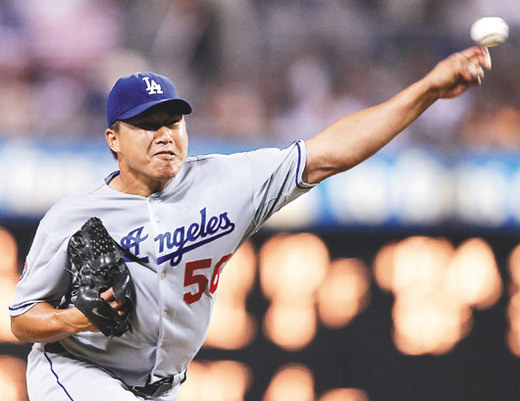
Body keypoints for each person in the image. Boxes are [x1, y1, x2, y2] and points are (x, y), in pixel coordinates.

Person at [9, 46, 491, 401]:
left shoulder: (226, 183)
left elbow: (330, 154)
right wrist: (73, 319)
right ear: (113, 138)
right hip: (77, 371)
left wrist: (428, 90)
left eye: (173, 121)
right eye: (147, 124)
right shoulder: (74, 216)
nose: (164, 135)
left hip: (163, 387)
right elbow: (22, 319)